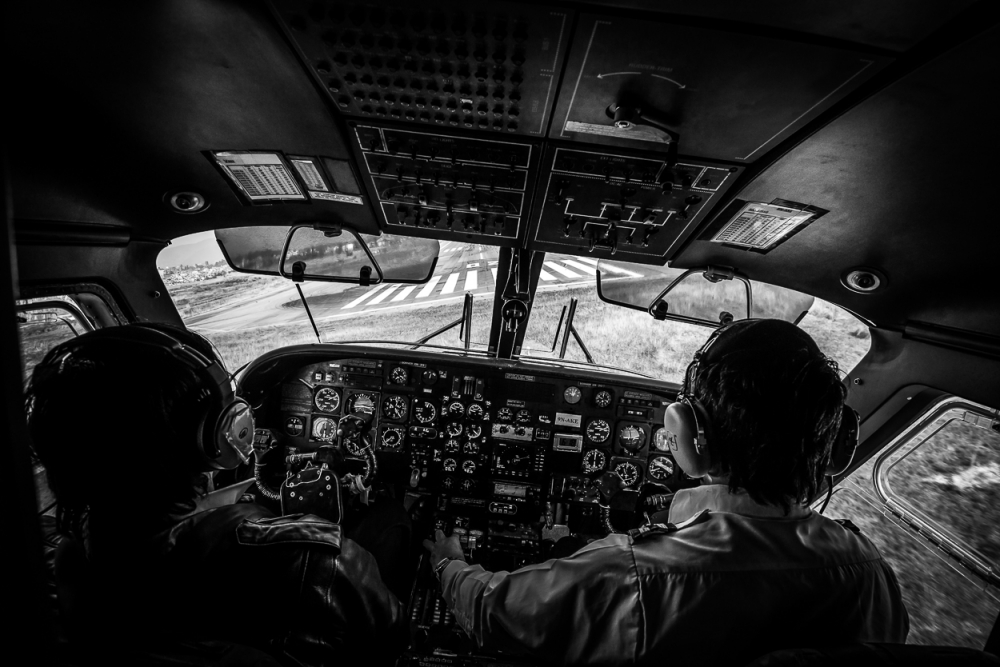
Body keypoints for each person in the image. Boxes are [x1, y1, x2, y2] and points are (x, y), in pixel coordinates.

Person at [424, 319, 909, 666]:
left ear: (694, 435)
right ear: (833, 444)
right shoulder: (871, 572)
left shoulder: (637, 576)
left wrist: (449, 562)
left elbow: (495, 612)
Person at [27, 323, 408, 665]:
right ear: (214, 435)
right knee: (390, 515)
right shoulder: (314, 558)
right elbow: (391, 639)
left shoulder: (63, 553)